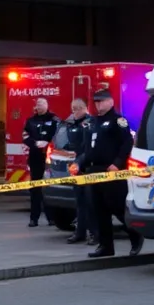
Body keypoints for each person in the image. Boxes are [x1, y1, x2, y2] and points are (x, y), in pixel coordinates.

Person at [77, 88, 143, 258]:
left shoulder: (118, 121)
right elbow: (89, 147)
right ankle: (105, 246)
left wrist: (117, 163)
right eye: (96, 102)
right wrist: (80, 164)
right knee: (98, 209)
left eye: (101, 101)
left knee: (117, 207)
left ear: (110, 101)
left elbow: (127, 143)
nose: (98, 105)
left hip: (111, 170)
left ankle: (135, 236)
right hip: (94, 170)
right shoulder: (92, 122)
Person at [62, 99, 98, 246]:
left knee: (91, 203)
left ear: (85, 108)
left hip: (88, 167)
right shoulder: (71, 125)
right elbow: (70, 144)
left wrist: (79, 161)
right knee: (80, 202)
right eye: (73, 108)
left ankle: (94, 234)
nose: (75, 111)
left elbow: (89, 148)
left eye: (77, 108)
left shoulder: (90, 123)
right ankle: (80, 232)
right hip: (76, 168)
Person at [22, 98, 60, 227]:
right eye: (37, 104)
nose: (39, 106)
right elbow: (25, 136)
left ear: (47, 105)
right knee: (35, 189)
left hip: (50, 157)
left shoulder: (54, 119)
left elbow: (59, 135)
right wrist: (35, 143)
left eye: (42, 104)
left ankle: (52, 218)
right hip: (35, 157)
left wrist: (48, 142)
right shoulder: (30, 121)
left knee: (50, 187)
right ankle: (34, 218)